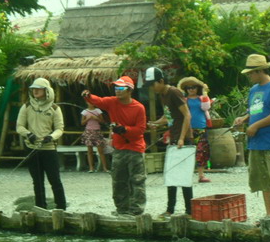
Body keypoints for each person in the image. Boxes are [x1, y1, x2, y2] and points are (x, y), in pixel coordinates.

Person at [233, 54, 270, 217]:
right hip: (256, 142)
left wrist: (256, 125)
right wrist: (244, 118)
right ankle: (269, 214)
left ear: (259, 71)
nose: (249, 76)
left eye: (250, 73)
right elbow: (254, 109)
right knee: (263, 179)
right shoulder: (254, 90)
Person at [82, 76, 147, 216]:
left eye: (121, 88)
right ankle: (122, 209)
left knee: (137, 180)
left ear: (129, 90)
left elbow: (141, 130)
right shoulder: (112, 102)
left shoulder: (139, 107)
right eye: (116, 88)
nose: (117, 91)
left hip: (135, 149)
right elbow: (97, 100)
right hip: (118, 149)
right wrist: (88, 95)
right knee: (118, 181)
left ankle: (136, 211)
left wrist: (124, 129)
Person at [144, 66, 193, 218]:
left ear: (161, 81)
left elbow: (187, 115)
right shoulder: (163, 95)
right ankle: (170, 209)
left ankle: (189, 211)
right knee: (171, 175)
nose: (152, 88)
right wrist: (156, 123)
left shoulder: (173, 92)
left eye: (153, 84)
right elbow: (168, 117)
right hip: (174, 138)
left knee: (184, 176)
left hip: (183, 139)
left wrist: (181, 138)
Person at [16, 77, 67, 210]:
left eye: (38, 89)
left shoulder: (55, 108)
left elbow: (59, 129)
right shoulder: (26, 107)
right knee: (37, 181)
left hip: (49, 149)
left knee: (54, 179)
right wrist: (28, 134)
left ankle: (61, 207)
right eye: (33, 89)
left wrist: (51, 137)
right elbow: (19, 126)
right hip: (32, 148)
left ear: (47, 91)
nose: (35, 91)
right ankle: (40, 207)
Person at [178, 76, 212, 183]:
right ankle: (186, 175)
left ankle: (201, 175)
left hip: (201, 127)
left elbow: (206, 107)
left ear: (197, 88)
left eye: (193, 87)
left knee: (202, 151)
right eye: (188, 88)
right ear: (185, 89)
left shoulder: (201, 98)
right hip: (188, 128)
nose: (191, 89)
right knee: (188, 152)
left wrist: (205, 93)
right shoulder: (184, 100)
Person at [80, 103, 109, 173]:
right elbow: (82, 123)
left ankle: (105, 168)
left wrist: (96, 118)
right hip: (88, 131)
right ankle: (91, 168)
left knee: (100, 150)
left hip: (97, 131)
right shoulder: (85, 111)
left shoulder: (98, 110)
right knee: (90, 151)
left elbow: (102, 121)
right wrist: (88, 118)